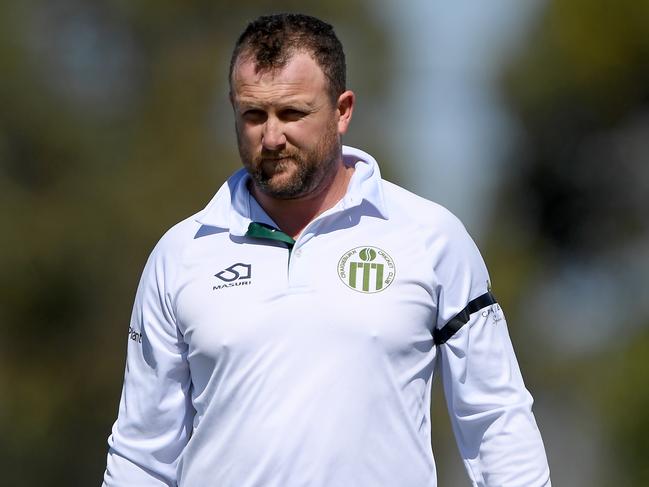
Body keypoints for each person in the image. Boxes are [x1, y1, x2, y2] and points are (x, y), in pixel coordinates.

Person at [103, 13, 551, 487]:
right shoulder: (180, 255)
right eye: (253, 115)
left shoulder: (432, 237)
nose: (271, 137)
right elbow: (142, 453)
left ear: (342, 111)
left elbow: (496, 417)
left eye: (293, 113)